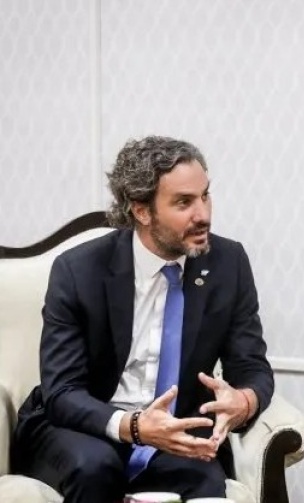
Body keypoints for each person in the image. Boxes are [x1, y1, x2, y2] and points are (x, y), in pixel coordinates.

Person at [11, 136, 274, 502]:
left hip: (172, 430)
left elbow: (252, 367)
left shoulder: (228, 263)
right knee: (96, 468)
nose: (203, 214)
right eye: (183, 202)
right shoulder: (78, 271)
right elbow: (63, 392)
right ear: (141, 211)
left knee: (203, 479)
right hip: (84, 425)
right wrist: (134, 426)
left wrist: (245, 400)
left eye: (205, 196)